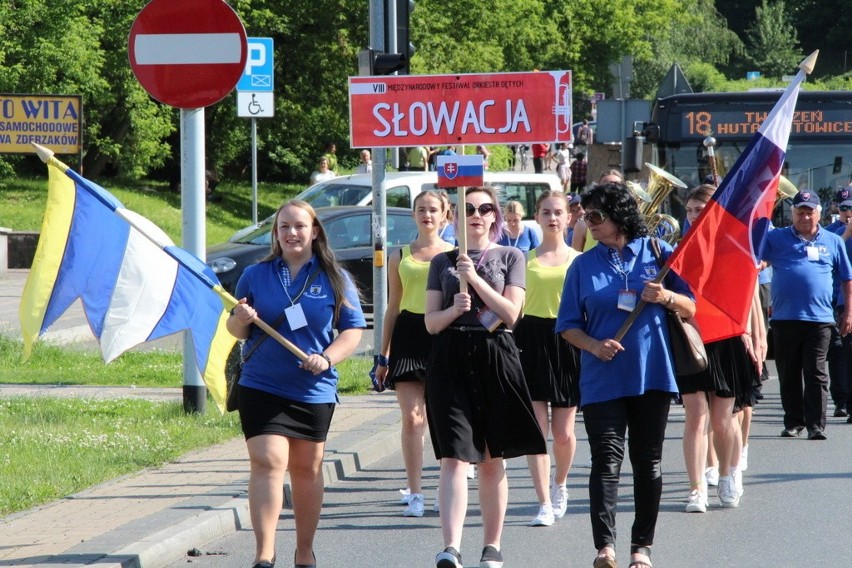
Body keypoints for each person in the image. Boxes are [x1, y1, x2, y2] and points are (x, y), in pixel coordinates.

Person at [556, 182, 695, 568]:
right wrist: (593, 345)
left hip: (652, 373)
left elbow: (691, 307)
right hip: (601, 377)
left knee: (648, 461)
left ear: (620, 217)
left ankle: (641, 549)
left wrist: (665, 296)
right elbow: (567, 325)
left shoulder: (657, 252)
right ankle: (605, 547)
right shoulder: (582, 265)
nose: (589, 223)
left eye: (596, 216)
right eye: (586, 216)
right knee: (606, 460)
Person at [227, 200, 366, 568]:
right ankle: (264, 553)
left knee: (306, 469)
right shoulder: (256, 274)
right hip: (261, 384)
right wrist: (241, 318)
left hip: (313, 390)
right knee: (268, 460)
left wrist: (327, 358)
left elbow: (352, 331)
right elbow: (236, 331)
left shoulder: (334, 276)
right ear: (276, 233)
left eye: (300, 226)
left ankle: (304, 550)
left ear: (314, 231)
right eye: (284, 226)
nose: (291, 233)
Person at [425, 186, 546, 568]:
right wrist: (452, 310)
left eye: (484, 208)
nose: (476, 213)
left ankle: (491, 546)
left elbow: (511, 314)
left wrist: (474, 281)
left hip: (496, 353)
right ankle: (451, 547)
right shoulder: (440, 262)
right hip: (451, 357)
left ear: (495, 216)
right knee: (454, 456)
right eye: (467, 208)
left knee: (492, 459)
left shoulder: (512, 256)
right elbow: (431, 323)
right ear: (455, 217)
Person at [676, 185, 764, 511]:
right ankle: (696, 488)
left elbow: (744, 300)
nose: (694, 216)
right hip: (690, 342)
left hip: (725, 342)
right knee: (695, 417)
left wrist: (751, 336)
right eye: (689, 211)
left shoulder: (732, 250)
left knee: (722, 420)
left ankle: (728, 473)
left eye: (701, 210)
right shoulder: (679, 252)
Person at [375, 191, 454, 518]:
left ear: (445, 215)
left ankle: (445, 487)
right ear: (413, 215)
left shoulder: (455, 254)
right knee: (412, 417)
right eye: (421, 209)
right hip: (409, 335)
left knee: (443, 419)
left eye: (433, 209)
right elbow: (392, 307)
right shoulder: (399, 255)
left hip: (444, 335)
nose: (427, 215)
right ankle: (415, 491)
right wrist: (382, 356)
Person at [762, 191, 852, 441]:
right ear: (793, 214)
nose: (804, 216)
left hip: (820, 320)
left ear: (819, 213)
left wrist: (848, 313)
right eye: (800, 211)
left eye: (809, 211)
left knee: (816, 372)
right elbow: (753, 252)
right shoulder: (776, 238)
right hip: (784, 318)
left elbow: (847, 277)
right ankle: (793, 422)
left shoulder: (833, 241)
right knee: (788, 372)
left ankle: (816, 425)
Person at [515, 190, 581, 527]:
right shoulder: (523, 259)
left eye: (558, 212)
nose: (552, 218)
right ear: (536, 217)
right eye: (545, 212)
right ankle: (542, 501)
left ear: (569, 217)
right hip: (531, 340)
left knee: (564, 433)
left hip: (567, 340)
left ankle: (560, 484)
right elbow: (514, 305)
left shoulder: (578, 260)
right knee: (537, 429)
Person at [571, 170, 626, 252]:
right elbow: (575, 258)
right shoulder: (583, 225)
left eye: (616, 185)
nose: (611, 188)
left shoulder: (629, 223)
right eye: (606, 184)